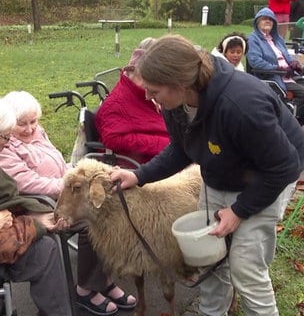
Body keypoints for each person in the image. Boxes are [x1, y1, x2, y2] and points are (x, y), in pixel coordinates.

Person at [109, 34, 304, 316]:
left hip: (268, 175)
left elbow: (283, 166)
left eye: (154, 90)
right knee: (208, 256)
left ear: (180, 83)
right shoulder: (173, 103)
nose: (148, 96)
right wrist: (139, 175)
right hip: (222, 170)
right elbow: (181, 148)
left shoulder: (241, 104)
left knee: (245, 268)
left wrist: (239, 210)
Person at [0, 91, 136, 316]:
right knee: (92, 224)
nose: (31, 128)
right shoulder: (5, 147)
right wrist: (72, 186)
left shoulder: (37, 132)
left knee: (108, 216)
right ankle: (86, 290)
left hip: (62, 193)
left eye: (34, 121)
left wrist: (77, 176)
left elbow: (59, 164)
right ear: (9, 123)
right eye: (22, 124)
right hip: (36, 204)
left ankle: (102, 281)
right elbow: (27, 182)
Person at [0, 92, 72, 316]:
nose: (6, 145)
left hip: (0, 231)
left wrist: (39, 216)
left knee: (47, 240)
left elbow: (9, 196)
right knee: (45, 249)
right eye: (4, 137)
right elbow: (19, 188)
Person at [95, 38, 170, 165]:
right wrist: (163, 144)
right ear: (132, 71)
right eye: (147, 76)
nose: (152, 81)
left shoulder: (141, 93)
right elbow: (112, 138)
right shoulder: (116, 104)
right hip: (138, 166)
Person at [247, 7, 304, 124]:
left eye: (270, 19)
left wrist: (294, 63)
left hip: (289, 75)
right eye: (264, 19)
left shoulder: (277, 39)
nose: (268, 21)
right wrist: (278, 68)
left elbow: (286, 56)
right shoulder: (253, 39)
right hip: (274, 76)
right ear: (257, 22)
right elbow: (256, 62)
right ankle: (292, 120)